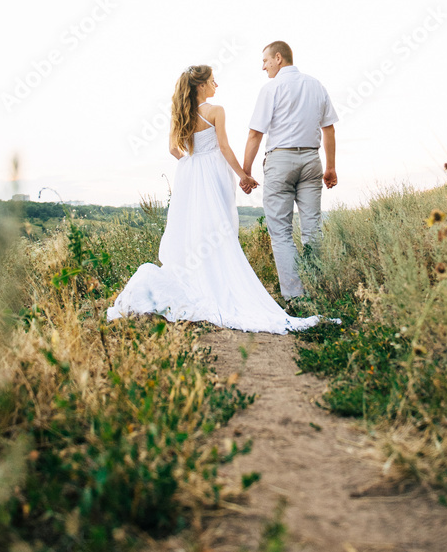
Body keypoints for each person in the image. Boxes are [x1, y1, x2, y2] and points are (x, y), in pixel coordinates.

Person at [106, 64, 334, 333]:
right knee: (217, 228)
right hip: (213, 174)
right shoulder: (216, 111)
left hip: (189, 175)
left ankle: (199, 278)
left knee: (194, 229)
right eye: (214, 81)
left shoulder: (180, 113)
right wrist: (243, 175)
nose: (217, 85)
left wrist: (191, 163)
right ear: (201, 85)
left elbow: (172, 149)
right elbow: (224, 147)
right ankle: (219, 280)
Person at [242, 41, 338, 304]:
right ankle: (317, 290)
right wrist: (330, 167)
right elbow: (328, 128)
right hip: (311, 159)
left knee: (281, 232)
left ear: (278, 58)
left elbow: (255, 133)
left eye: (265, 61)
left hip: (281, 160)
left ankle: (295, 297)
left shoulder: (271, 88)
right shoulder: (316, 85)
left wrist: (245, 172)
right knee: (312, 230)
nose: (263, 67)